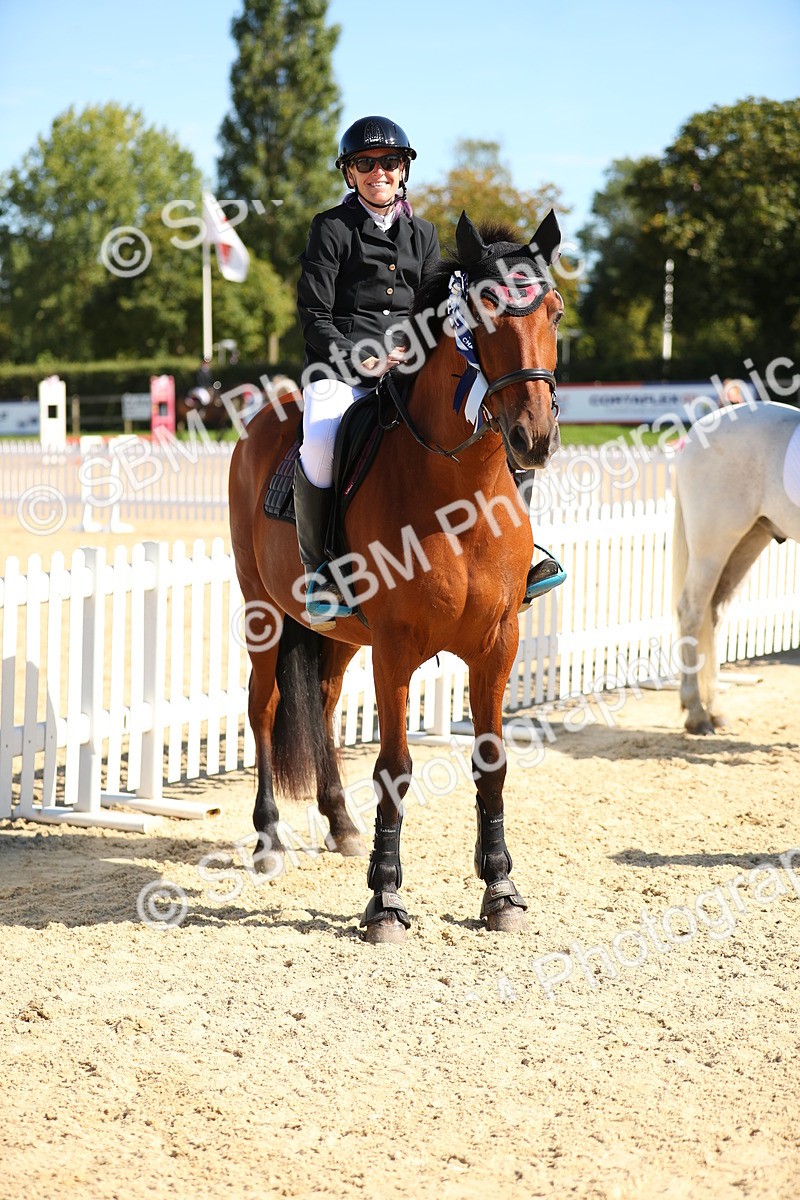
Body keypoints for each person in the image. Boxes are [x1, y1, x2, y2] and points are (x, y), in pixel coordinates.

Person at [294, 115, 439, 628]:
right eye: (365, 163)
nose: (379, 171)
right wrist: (361, 358)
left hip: (406, 366)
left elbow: (430, 312)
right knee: (322, 441)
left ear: (403, 171)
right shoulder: (331, 228)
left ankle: (517, 547)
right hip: (340, 367)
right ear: (350, 174)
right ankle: (322, 571)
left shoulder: (424, 234)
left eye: (389, 163)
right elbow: (315, 314)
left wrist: (411, 351)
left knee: (482, 411)